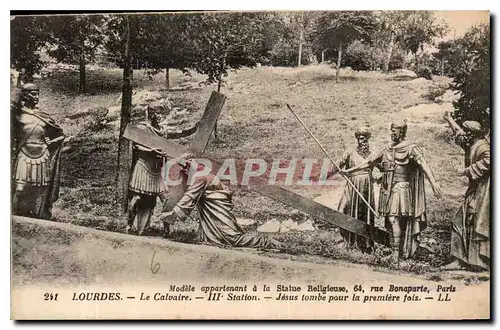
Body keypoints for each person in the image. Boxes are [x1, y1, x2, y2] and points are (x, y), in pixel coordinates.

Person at [343, 120, 443, 262]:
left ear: (402, 131)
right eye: (391, 130)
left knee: (394, 219)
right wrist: (349, 170)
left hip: (401, 188)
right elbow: (369, 162)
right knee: (389, 222)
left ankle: (396, 255)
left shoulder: (411, 148)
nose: (391, 133)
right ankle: (395, 252)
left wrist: (433, 183)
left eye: (394, 130)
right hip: (388, 189)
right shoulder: (388, 148)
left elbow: (423, 164)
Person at [158, 154, 282, 250]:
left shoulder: (201, 177)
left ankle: (266, 241)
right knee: (219, 238)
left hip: (218, 209)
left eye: (185, 168)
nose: (184, 171)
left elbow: (189, 197)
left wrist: (173, 215)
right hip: (215, 208)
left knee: (233, 238)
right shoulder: (203, 172)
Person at [126, 105, 198, 235]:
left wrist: (193, 129)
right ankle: (129, 225)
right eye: (158, 113)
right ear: (151, 114)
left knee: (165, 199)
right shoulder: (143, 128)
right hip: (143, 167)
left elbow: (177, 133)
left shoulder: (161, 130)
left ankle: (166, 229)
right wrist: (150, 150)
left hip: (155, 171)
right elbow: (136, 146)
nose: (160, 116)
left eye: (161, 114)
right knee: (137, 199)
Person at [443, 115, 490, 272]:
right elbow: (459, 133)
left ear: (472, 133)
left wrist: (466, 171)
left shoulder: (483, 147)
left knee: (474, 220)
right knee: (463, 221)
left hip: (484, 191)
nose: (464, 135)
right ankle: (463, 260)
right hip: (475, 189)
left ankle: (478, 261)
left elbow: (490, 161)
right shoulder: (472, 143)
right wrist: (449, 119)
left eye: (467, 132)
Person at [12, 83, 65, 220]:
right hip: (24, 154)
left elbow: (60, 134)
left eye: (37, 94)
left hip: (43, 155)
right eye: (33, 94)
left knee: (40, 189)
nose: (36, 97)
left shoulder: (43, 116)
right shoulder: (16, 115)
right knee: (20, 187)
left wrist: (52, 142)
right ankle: (16, 215)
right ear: (25, 95)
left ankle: (38, 215)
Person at [328, 127, 377, 253]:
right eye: (360, 139)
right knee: (342, 210)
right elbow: (337, 166)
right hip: (352, 185)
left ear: (368, 139)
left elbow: (382, 168)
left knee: (364, 215)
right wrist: (331, 171)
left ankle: (365, 245)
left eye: (364, 139)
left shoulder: (372, 155)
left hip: (366, 187)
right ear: (357, 139)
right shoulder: (350, 152)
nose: (362, 142)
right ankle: (347, 240)